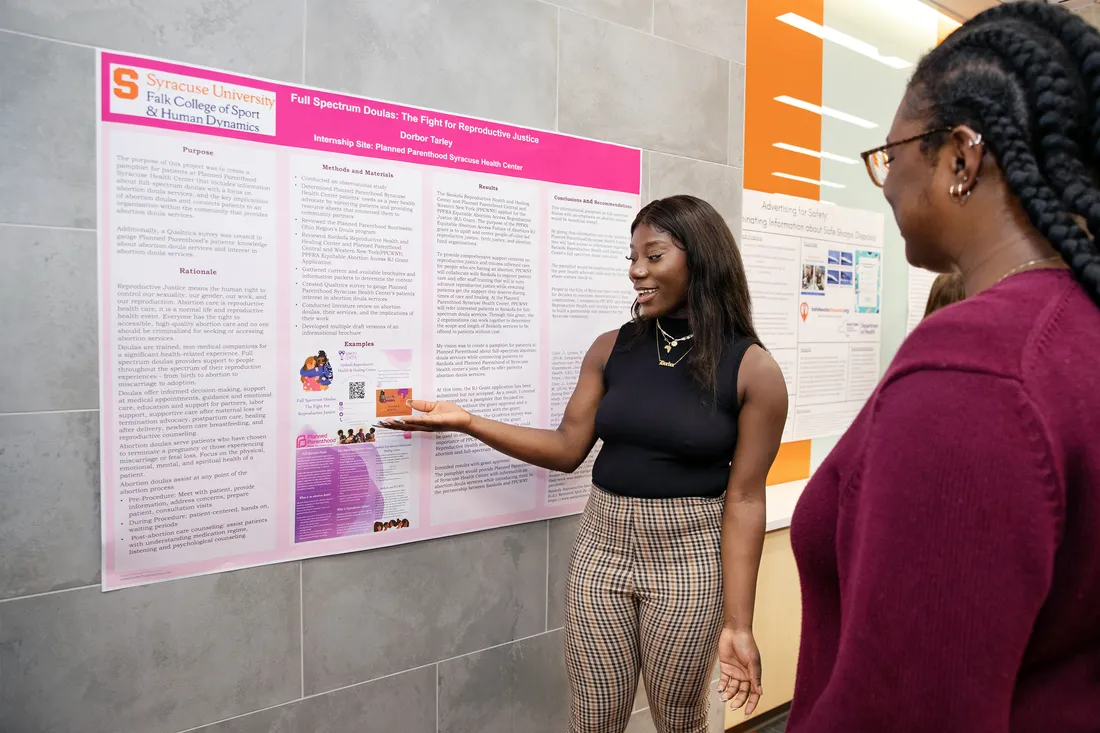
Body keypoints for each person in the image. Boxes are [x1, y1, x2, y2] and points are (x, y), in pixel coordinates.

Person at [790, 4, 1100, 731]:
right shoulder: (1076, 334)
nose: (888, 181)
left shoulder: (974, 369)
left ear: (961, 159)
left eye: (890, 155)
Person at [379, 195, 788, 732]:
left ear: (702, 260)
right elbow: (568, 447)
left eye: (654, 256)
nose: (637, 271)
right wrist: (468, 421)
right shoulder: (611, 347)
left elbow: (745, 498)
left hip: (689, 559)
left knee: (680, 720)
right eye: (632, 257)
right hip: (602, 549)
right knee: (592, 719)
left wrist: (738, 623)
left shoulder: (753, 370)